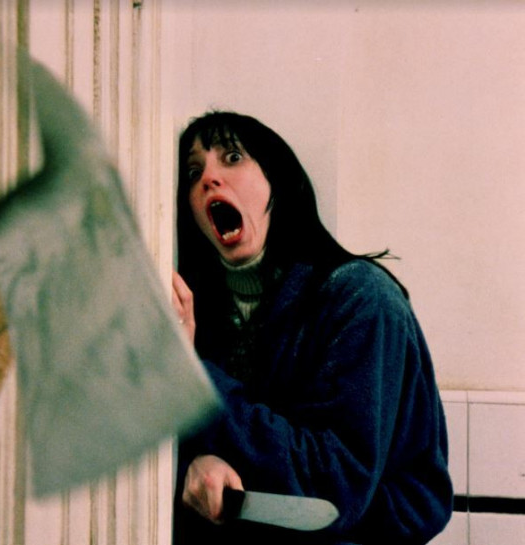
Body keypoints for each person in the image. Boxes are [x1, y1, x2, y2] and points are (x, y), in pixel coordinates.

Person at [170, 111, 453, 544]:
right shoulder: (202, 311)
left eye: (232, 157)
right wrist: (197, 463)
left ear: (276, 180)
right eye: (193, 172)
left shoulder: (360, 298)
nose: (209, 178)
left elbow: (333, 486)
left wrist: (194, 377)